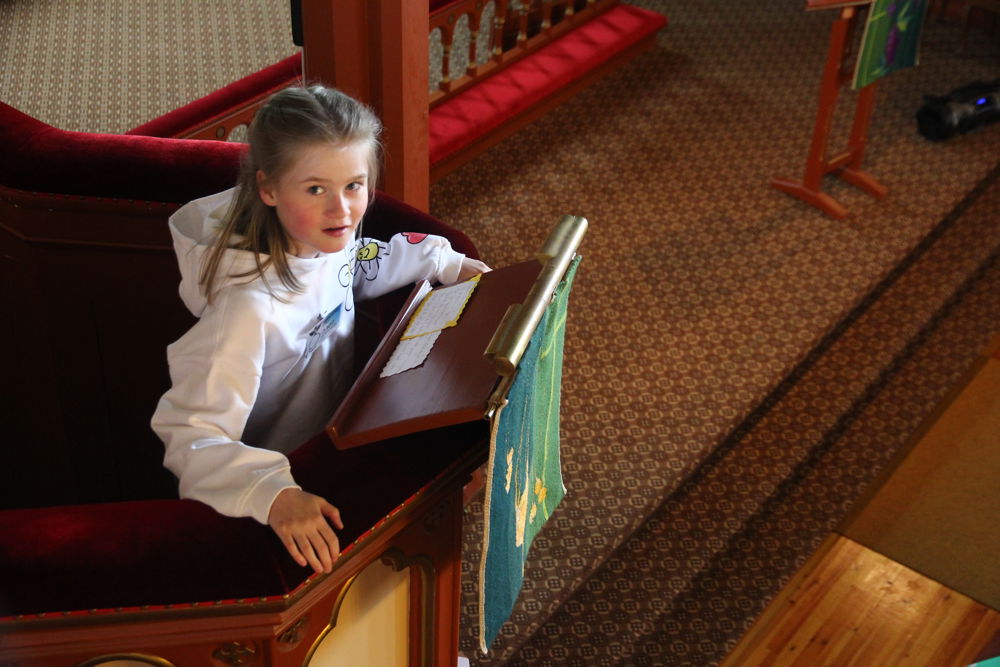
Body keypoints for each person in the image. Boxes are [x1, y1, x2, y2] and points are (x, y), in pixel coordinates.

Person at [151, 85, 488, 575]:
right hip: (278, 471)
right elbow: (190, 433)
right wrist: (273, 493)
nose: (342, 210)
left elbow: (359, 267)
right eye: (315, 189)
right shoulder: (247, 311)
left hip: (334, 425)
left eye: (354, 185)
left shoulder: (322, 237)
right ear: (269, 189)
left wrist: (442, 260)